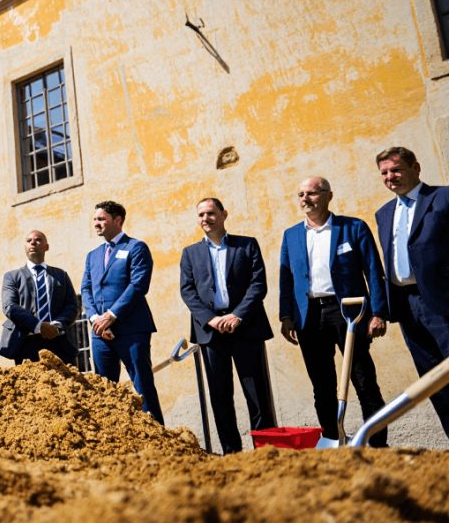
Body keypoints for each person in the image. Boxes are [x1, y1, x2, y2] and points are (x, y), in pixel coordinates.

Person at [279, 176, 388, 447]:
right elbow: (286, 278)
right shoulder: (291, 235)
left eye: (312, 193)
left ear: (329, 196)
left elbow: (373, 270)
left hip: (348, 312)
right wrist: (286, 316)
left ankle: (377, 444)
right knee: (322, 385)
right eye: (301, 194)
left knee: (363, 379)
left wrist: (378, 313)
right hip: (309, 316)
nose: (305, 199)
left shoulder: (353, 227)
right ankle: (333, 439)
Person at [178, 198, 276, 453]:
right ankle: (232, 453)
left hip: (246, 327)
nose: (205, 219)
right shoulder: (190, 253)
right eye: (201, 214)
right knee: (220, 396)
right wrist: (210, 319)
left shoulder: (247, 245)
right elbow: (188, 291)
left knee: (257, 394)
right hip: (211, 333)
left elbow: (258, 284)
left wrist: (237, 315)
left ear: (224, 215)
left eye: (211, 213)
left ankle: (266, 451)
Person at [374, 147, 449, 438]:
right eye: (384, 172)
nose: (390, 176)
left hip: (442, 303)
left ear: (415, 167)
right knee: (432, 382)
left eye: (396, 169)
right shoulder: (384, 213)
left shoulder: (442, 198)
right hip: (406, 306)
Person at [80, 201, 163, 424]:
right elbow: (86, 289)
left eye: (101, 219)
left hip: (131, 330)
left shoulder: (136, 247)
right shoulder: (92, 255)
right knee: (104, 390)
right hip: (100, 333)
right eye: (95, 219)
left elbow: (138, 285)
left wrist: (111, 315)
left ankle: (157, 434)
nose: (96, 223)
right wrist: (96, 319)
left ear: (118, 220)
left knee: (143, 385)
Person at [0, 229, 78, 365]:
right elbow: (9, 307)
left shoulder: (61, 275)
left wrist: (56, 325)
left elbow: (72, 306)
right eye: (29, 240)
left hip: (58, 342)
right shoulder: (12, 277)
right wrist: (39, 326)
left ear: (47, 246)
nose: (33, 242)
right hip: (26, 343)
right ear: (25, 247)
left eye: (38, 239)